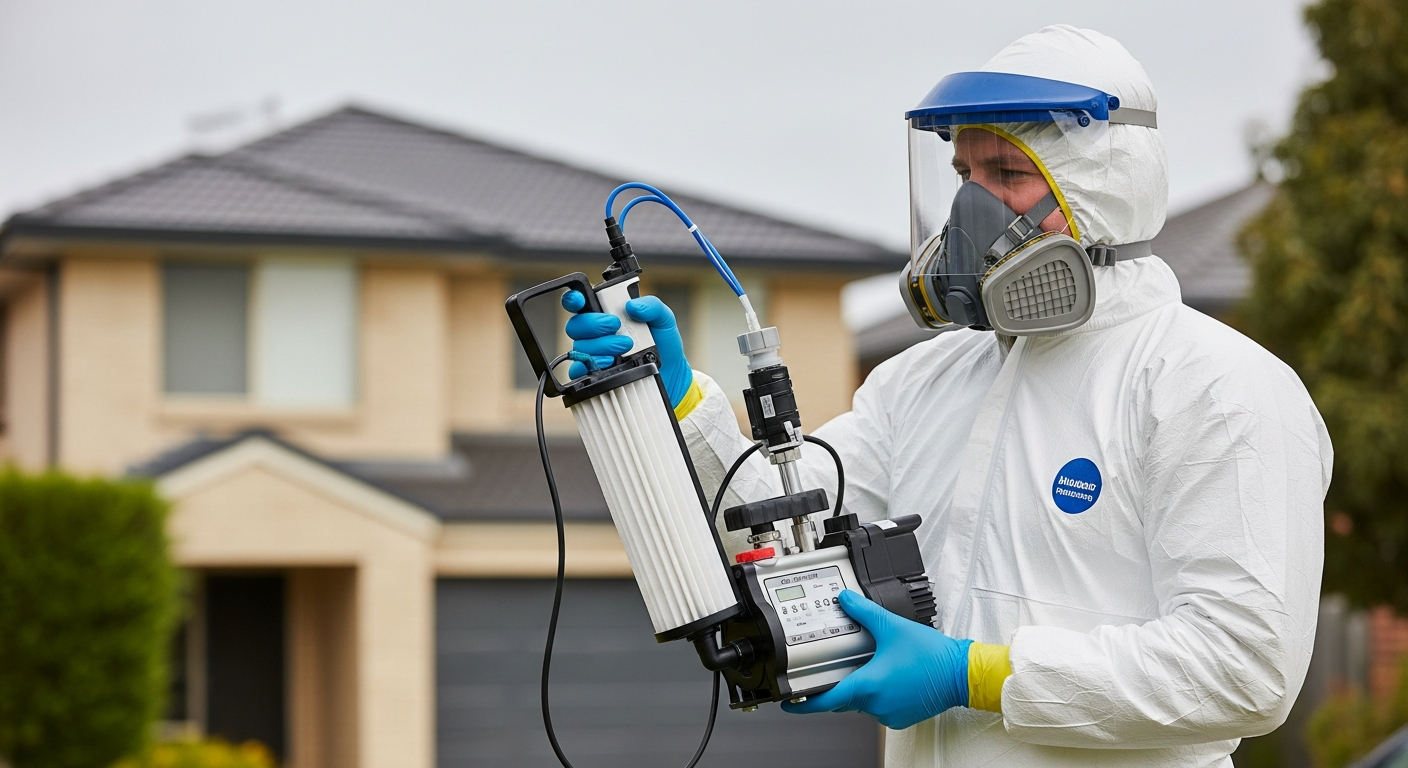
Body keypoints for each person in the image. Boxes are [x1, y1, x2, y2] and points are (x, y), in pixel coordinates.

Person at [563, 25, 1331, 767]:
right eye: (965, 175)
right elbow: (782, 527)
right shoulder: (922, 381)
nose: (973, 210)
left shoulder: (1214, 387)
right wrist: (677, 401)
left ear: (1103, 187)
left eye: (1008, 174)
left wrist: (975, 675)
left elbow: (1244, 668)